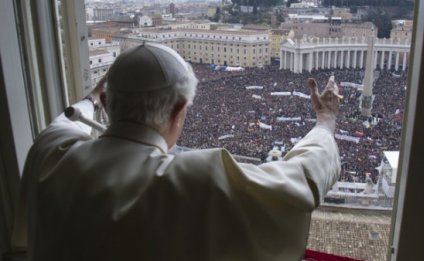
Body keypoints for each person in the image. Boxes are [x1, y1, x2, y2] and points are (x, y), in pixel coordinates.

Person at [15, 43, 340, 261]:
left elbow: (65, 122)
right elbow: (303, 179)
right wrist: (325, 122)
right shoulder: (198, 181)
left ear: (104, 104)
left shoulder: (50, 153)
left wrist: (91, 97)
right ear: (180, 110)